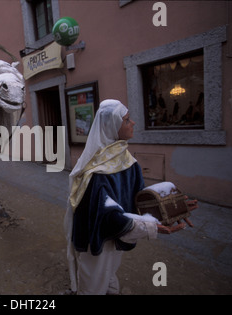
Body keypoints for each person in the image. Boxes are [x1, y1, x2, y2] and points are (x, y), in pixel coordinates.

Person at [64, 99, 197, 295]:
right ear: (113, 127)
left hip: (118, 235)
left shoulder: (127, 160)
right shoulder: (97, 171)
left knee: (109, 276)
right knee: (91, 286)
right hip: (98, 239)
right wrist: (151, 227)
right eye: (127, 120)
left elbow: (137, 197)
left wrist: (167, 207)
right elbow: (107, 216)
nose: (133, 123)